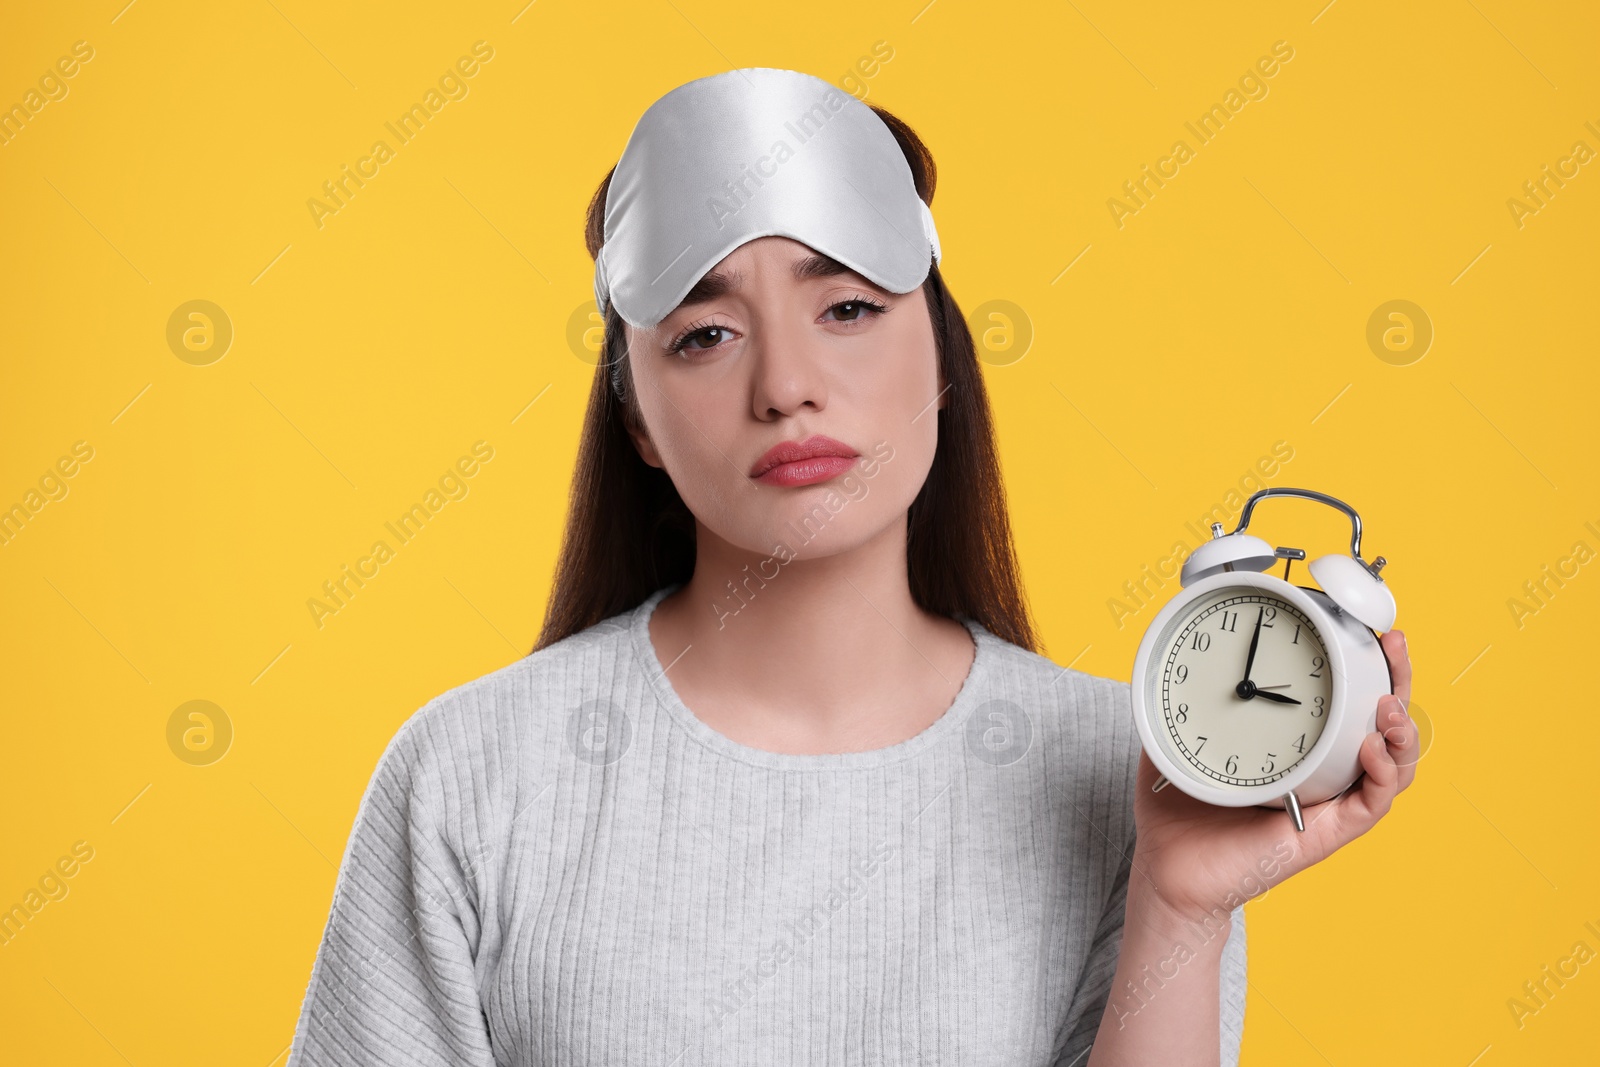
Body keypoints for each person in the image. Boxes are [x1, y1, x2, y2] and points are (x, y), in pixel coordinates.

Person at [286, 67, 1417, 1067]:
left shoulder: (1136, 779)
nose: (786, 383)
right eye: (704, 333)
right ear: (632, 416)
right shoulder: (472, 778)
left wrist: (1180, 905)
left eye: (847, 306)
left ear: (940, 356)